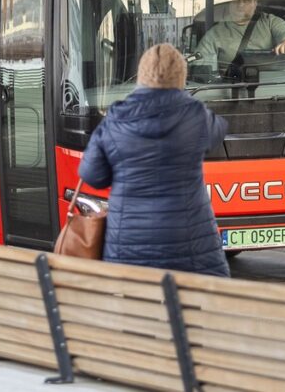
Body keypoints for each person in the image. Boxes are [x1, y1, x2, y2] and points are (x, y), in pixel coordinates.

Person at [78, 43, 230, 276]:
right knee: (197, 305)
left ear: (141, 76)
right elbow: (218, 131)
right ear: (181, 77)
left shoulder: (116, 119)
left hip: (128, 244)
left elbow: (92, 176)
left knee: (139, 308)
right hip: (190, 243)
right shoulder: (196, 115)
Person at [194, 0, 285, 75]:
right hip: (230, 88)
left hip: (271, 84)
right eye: (236, 0)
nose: (240, 5)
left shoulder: (269, 21)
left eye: (246, 1)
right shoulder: (215, 33)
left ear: (255, 3)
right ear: (229, 4)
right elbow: (200, 64)